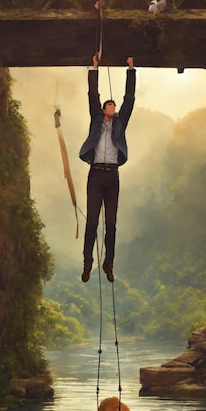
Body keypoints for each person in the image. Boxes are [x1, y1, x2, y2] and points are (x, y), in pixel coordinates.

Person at [79, 55, 136, 283]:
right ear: (103, 110)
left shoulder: (121, 123)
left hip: (112, 175)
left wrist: (131, 69)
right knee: (92, 221)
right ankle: (87, 263)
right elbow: (93, 95)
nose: (112, 107)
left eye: (114, 105)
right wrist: (94, 68)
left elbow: (129, 98)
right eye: (108, 105)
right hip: (95, 174)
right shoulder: (95, 119)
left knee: (110, 224)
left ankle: (109, 263)